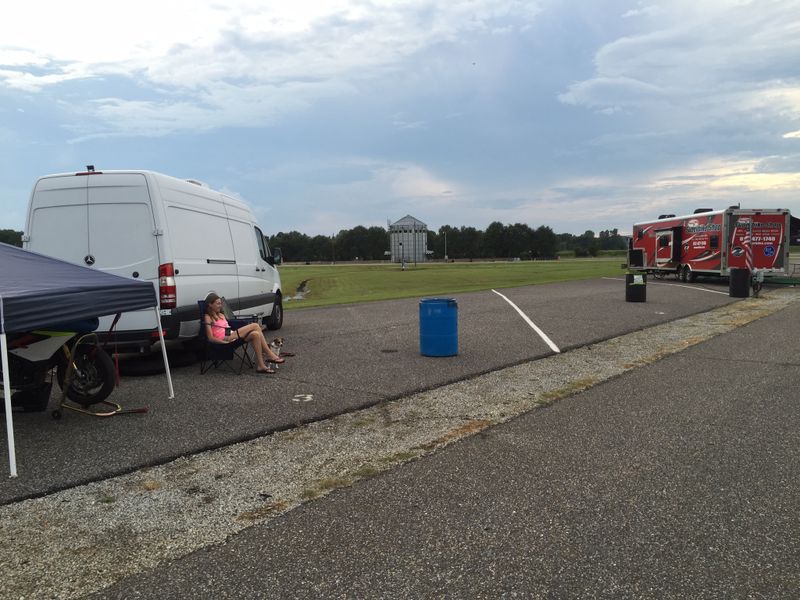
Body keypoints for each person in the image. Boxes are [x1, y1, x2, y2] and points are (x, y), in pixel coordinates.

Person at [204, 293, 284, 374]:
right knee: (255, 325)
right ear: (210, 304)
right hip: (225, 339)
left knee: (255, 334)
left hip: (233, 336)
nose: (220, 305)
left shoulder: (221, 315)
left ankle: (261, 365)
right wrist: (224, 342)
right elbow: (210, 338)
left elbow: (228, 326)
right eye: (218, 303)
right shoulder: (207, 317)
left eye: (220, 303)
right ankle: (269, 353)